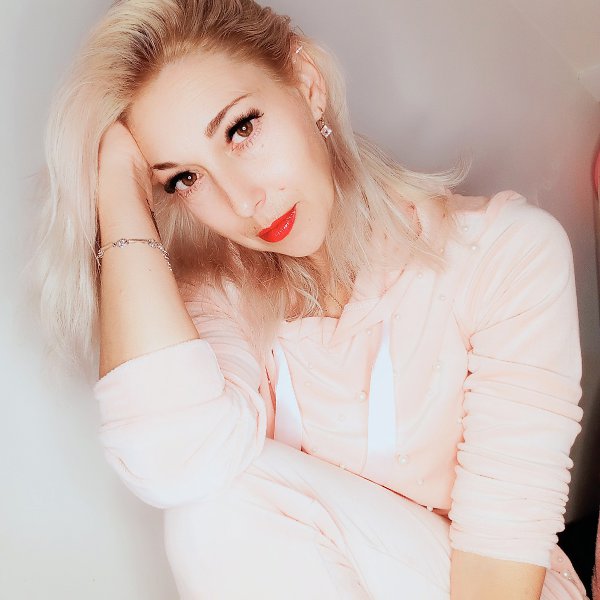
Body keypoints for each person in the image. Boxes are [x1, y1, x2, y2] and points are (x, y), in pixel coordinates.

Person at [31, 0, 589, 598]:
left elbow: (502, 564)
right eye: (184, 179)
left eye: (241, 130)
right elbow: (173, 463)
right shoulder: (220, 298)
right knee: (207, 502)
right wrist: (118, 188)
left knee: (221, 503)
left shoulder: (506, 254)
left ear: (307, 84)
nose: (242, 199)